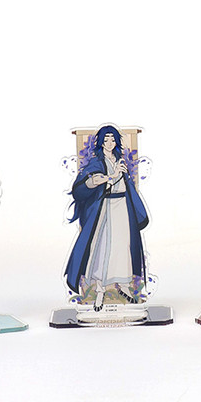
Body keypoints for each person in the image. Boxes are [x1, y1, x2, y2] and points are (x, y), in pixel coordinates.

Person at [64, 125, 149, 311]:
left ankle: (123, 285)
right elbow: (90, 182)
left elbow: (127, 184)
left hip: (122, 207)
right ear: (101, 142)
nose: (109, 143)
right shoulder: (97, 162)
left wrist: (123, 176)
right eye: (106, 139)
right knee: (104, 247)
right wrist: (111, 176)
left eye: (112, 139)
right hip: (106, 208)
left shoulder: (119, 160)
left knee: (123, 245)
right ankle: (100, 290)